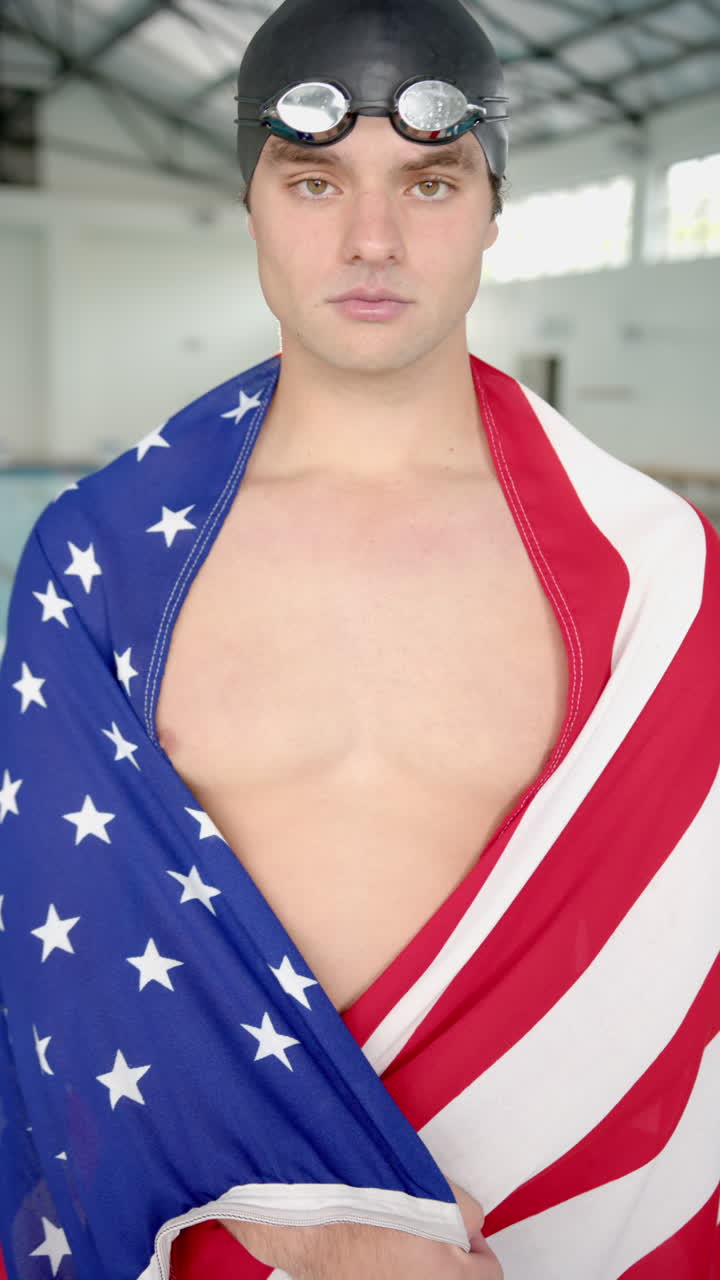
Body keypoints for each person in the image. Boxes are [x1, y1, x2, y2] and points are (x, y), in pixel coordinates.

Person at [0, 1, 718, 1278]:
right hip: (213, 1246)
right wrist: (335, 1231)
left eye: (430, 182)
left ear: (495, 203)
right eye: (316, 180)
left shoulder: (650, 576)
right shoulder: (98, 562)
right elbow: (66, 957)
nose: (373, 238)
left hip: (548, 1240)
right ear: (253, 202)